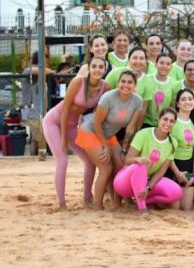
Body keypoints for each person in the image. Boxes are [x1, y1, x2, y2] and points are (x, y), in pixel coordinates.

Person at [43, 55, 108, 209]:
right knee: (63, 160)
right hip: (55, 122)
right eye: (94, 66)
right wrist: (64, 137)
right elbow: (65, 108)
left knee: (90, 161)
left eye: (101, 67)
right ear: (89, 69)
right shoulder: (78, 82)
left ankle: (87, 198)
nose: (97, 70)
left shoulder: (105, 87)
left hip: (73, 125)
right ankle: (62, 203)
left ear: (105, 70)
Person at [76, 70, 144, 209]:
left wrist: (124, 148)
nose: (126, 85)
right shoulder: (108, 97)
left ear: (135, 85)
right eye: (123, 81)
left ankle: (117, 203)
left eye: (130, 82)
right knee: (106, 168)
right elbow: (96, 123)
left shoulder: (138, 101)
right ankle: (97, 205)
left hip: (108, 135)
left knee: (121, 166)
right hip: (90, 132)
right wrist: (105, 145)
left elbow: (131, 128)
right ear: (118, 83)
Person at [113, 108, 183, 210]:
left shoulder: (173, 143)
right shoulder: (144, 134)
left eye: (172, 121)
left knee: (177, 192)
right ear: (158, 120)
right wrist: (138, 159)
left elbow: (160, 172)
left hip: (146, 182)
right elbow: (127, 160)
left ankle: (141, 201)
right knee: (140, 167)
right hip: (124, 183)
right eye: (165, 119)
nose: (168, 123)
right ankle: (142, 209)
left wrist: (148, 188)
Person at [170, 88, 194, 211]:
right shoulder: (172, 121)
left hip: (188, 168)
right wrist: (177, 174)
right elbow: (167, 152)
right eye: (183, 99)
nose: (187, 102)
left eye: (190, 99)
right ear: (177, 104)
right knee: (175, 208)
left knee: (186, 208)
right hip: (172, 167)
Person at [138, 52, 180, 128]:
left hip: (164, 124)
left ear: (171, 67)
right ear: (156, 64)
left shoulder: (174, 83)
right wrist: (138, 129)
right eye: (161, 63)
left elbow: (173, 107)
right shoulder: (147, 79)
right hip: (146, 122)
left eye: (168, 64)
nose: (164, 66)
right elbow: (143, 108)